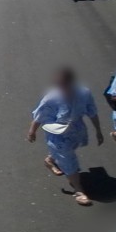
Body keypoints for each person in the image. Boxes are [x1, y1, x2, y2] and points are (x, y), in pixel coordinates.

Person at [28, 68, 101, 206]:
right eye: (59, 84)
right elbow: (39, 116)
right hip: (57, 134)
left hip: (75, 131)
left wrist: (98, 130)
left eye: (64, 84)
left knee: (68, 151)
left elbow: (92, 112)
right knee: (68, 160)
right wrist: (32, 131)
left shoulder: (84, 93)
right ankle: (79, 191)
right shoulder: (51, 98)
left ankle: (50, 160)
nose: (61, 88)